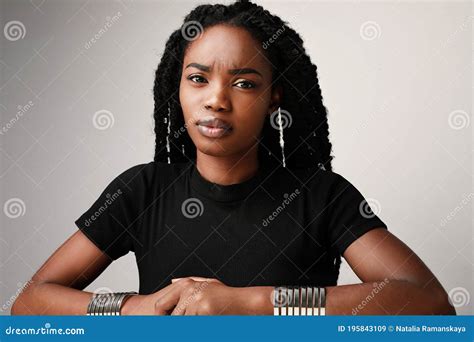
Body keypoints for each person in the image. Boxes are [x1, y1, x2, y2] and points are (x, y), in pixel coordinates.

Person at [11, 0, 455, 316]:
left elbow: (429, 302)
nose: (216, 100)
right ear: (177, 90)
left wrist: (249, 303)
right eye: (198, 78)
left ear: (273, 97)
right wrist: (132, 308)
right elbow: (29, 303)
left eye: (244, 83)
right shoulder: (142, 190)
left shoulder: (320, 196)